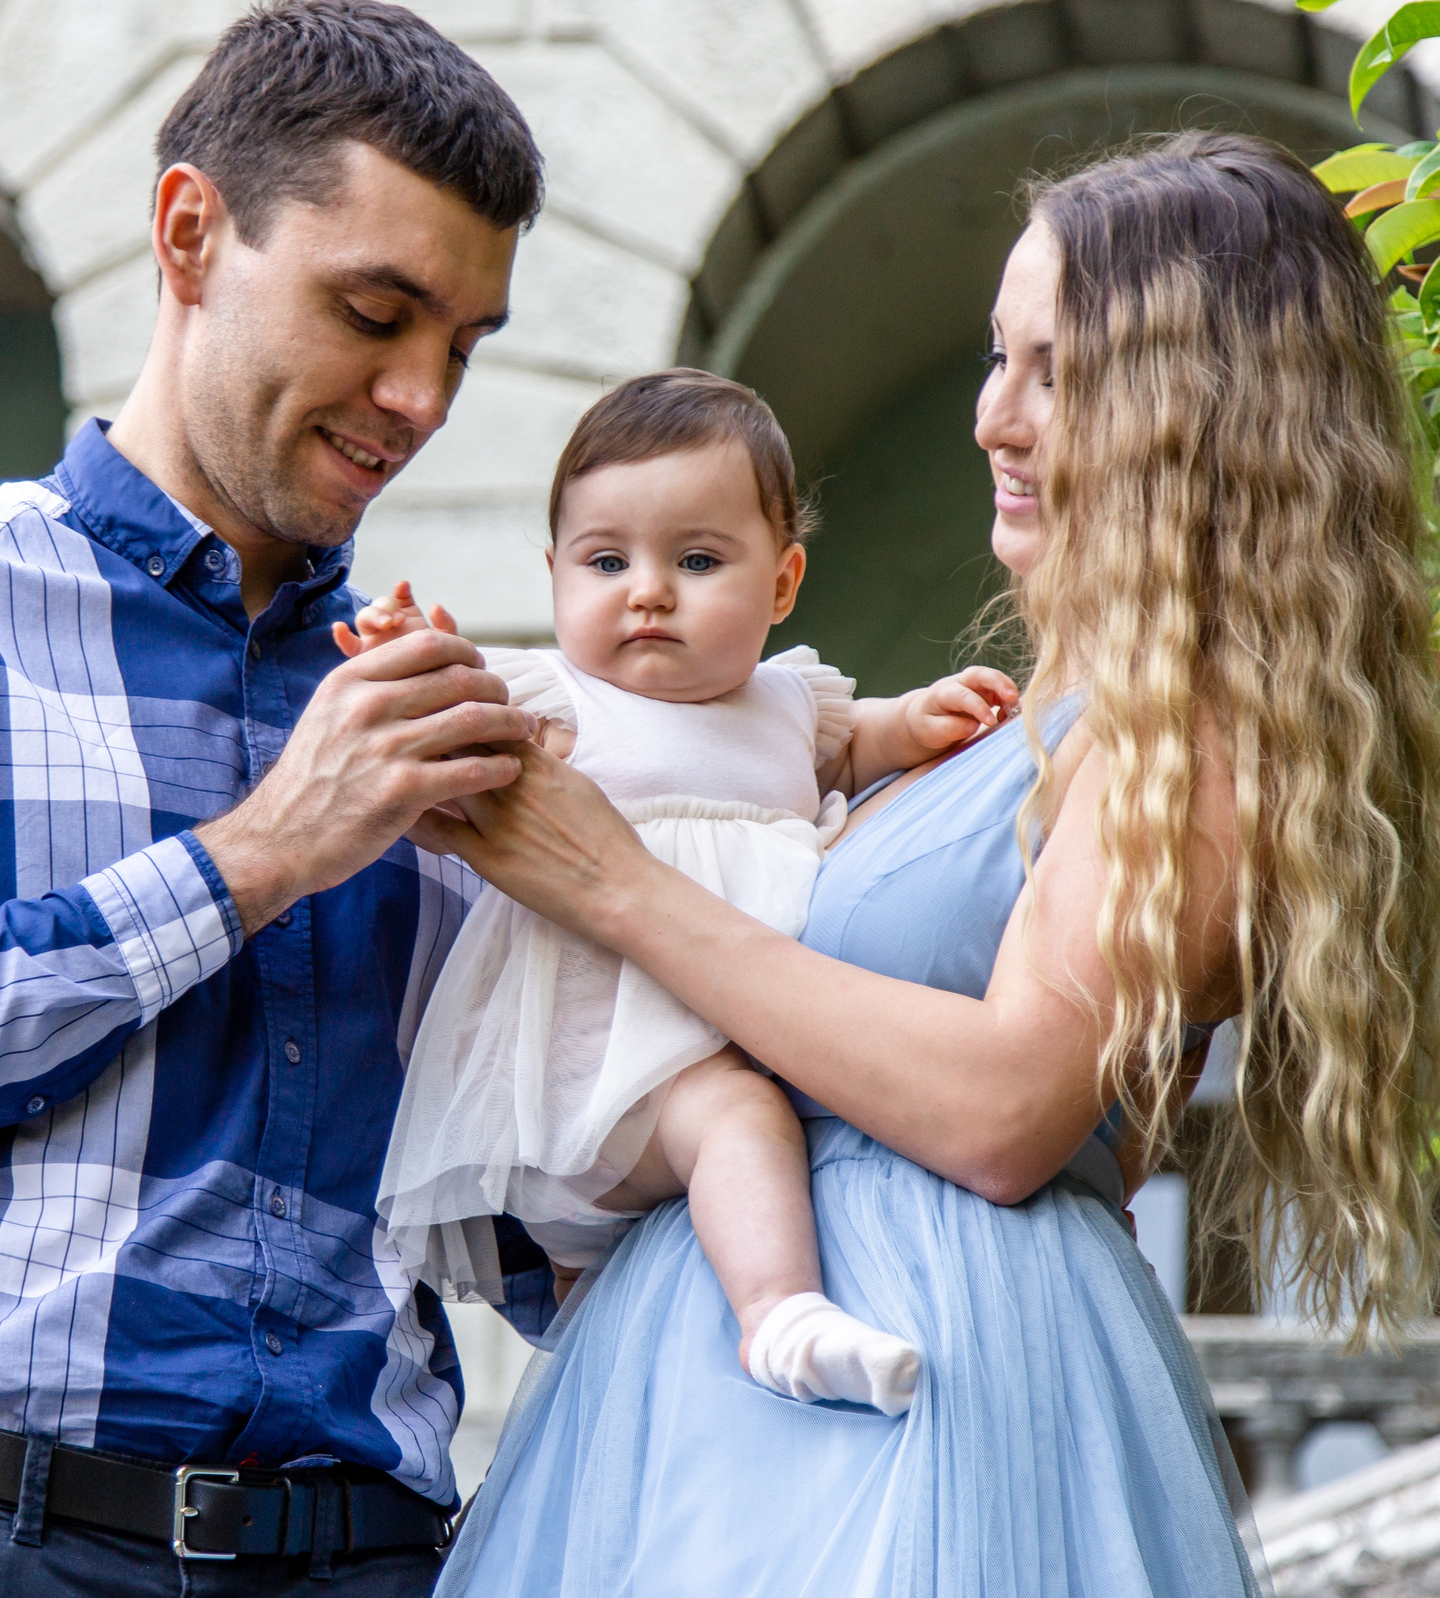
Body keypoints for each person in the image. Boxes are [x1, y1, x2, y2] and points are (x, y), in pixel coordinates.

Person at [421, 133, 1440, 1594]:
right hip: (728, 1393)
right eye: (995, 358)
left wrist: (617, 885)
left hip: (943, 1388)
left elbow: (1007, 1108)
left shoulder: (1210, 731)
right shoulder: (1011, 731)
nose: (995, 417)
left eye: (1056, 372)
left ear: (1198, 416)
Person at [0, 0, 555, 1596]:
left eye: (462, 345)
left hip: (367, 1561)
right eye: (376, 312)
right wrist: (258, 857)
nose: (424, 397)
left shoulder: (433, 722)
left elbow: (513, 1232)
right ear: (189, 233)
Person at [343, 370, 1016, 1416]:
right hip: (602, 1065)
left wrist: (926, 716)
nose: (646, 590)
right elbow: (463, 717)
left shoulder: (791, 703)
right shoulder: (557, 701)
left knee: (627, 1362)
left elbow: (861, 745)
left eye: (697, 560)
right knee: (736, 1116)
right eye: (605, 561)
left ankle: (615, 1392)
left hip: (744, 1036)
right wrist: (412, 656)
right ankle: (781, 1315)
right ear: (557, 572)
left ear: (783, 583)